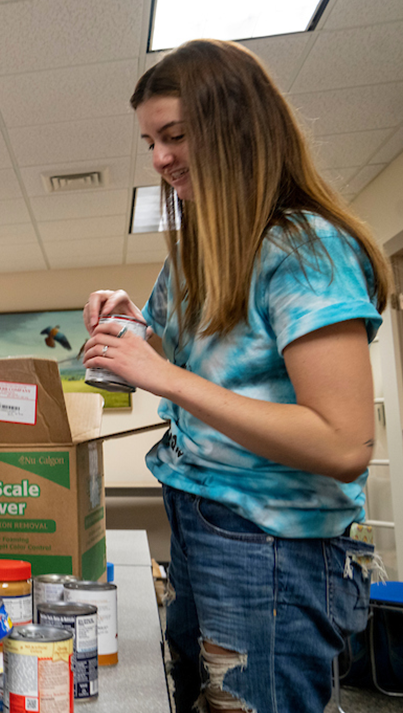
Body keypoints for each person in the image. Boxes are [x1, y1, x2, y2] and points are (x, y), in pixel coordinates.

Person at [82, 39, 390, 713]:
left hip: (270, 546)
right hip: (196, 518)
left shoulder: (305, 249)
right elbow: (190, 356)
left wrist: (161, 375)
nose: (160, 158)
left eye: (175, 136)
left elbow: (342, 443)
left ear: (234, 129)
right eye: (149, 142)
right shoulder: (200, 250)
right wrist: (134, 326)